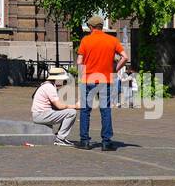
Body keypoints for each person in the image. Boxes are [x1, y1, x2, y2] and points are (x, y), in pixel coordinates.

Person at [76, 15, 127, 151]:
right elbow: (125, 57)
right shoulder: (112, 40)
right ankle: (106, 142)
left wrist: (81, 77)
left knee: (85, 110)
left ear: (91, 27)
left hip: (88, 79)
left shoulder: (86, 40)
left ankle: (85, 141)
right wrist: (115, 69)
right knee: (105, 110)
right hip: (105, 79)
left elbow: (79, 62)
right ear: (102, 26)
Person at [31, 66, 81, 146]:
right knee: (71, 112)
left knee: (67, 110)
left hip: (40, 113)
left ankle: (59, 135)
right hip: (41, 115)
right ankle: (60, 138)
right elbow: (59, 106)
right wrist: (76, 106)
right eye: (63, 79)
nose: (64, 81)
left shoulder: (46, 85)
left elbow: (57, 106)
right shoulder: (49, 87)